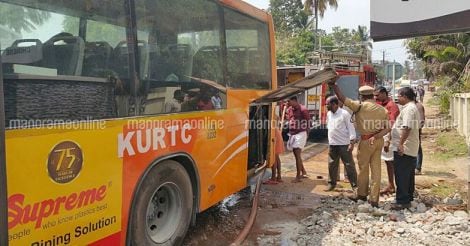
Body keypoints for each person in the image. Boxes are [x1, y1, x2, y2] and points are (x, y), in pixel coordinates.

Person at [328, 77, 389, 208]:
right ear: (372, 95)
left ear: (361, 96)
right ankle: (374, 199)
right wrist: (377, 135)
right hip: (378, 141)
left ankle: (361, 194)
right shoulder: (382, 109)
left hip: (366, 141)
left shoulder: (359, 106)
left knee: (363, 169)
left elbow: (342, 99)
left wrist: (334, 85)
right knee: (376, 170)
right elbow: (388, 128)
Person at [390, 87, 421, 210]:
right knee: (407, 174)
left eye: (399, 95)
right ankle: (408, 197)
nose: (397, 98)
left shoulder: (409, 109)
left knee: (401, 174)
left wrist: (401, 144)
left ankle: (402, 201)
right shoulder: (412, 107)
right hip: (409, 147)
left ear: (405, 96)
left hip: (405, 148)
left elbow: (407, 127)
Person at [325, 96, 358, 191]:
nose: (326, 106)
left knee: (349, 165)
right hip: (333, 144)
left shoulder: (345, 114)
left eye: (328, 104)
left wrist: (352, 142)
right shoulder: (329, 114)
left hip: (344, 144)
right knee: (332, 165)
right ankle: (332, 184)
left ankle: (355, 186)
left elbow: (351, 128)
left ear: (334, 104)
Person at [374, 86, 400, 195]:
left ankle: (393, 185)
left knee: (391, 162)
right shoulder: (380, 103)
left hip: (389, 135)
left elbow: (391, 123)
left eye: (378, 94)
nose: (376, 97)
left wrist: (387, 140)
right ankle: (391, 184)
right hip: (382, 134)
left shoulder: (391, 106)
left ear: (384, 93)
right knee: (388, 161)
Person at [286, 96, 310, 183]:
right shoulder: (289, 109)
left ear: (295, 101)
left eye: (289, 101)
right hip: (293, 133)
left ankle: (298, 177)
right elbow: (289, 119)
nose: (288, 103)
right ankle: (303, 171)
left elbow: (308, 123)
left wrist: (307, 134)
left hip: (301, 133)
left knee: (297, 153)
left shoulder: (303, 109)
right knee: (297, 155)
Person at [263, 116, 285, 185]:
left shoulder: (270, 115)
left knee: (274, 158)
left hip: (274, 135)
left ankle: (273, 178)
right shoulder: (274, 115)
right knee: (276, 157)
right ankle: (279, 177)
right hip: (276, 133)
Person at [415, 98, 425, 175]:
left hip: (415, 131)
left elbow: (422, 121)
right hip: (410, 132)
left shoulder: (418, 106)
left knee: (418, 149)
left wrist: (417, 129)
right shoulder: (410, 106)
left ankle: (418, 168)